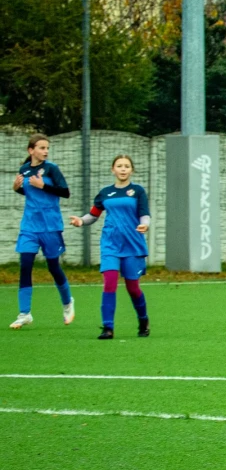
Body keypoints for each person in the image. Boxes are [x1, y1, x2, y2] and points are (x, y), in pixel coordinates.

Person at [70, 154, 150, 339]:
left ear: (132, 170)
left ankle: (143, 320)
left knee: (133, 288)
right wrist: (81, 221)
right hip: (110, 245)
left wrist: (145, 224)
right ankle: (108, 328)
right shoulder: (105, 192)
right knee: (110, 283)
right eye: (119, 166)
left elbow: (145, 214)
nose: (123, 169)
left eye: (126, 166)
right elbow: (93, 215)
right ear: (113, 170)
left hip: (132, 245)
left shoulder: (137, 191)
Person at [10, 133, 74, 330]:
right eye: (42, 148)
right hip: (30, 225)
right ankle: (24, 313)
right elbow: (29, 192)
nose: (46, 151)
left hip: (50, 225)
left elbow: (65, 192)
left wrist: (44, 185)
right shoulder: (24, 169)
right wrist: (16, 188)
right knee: (25, 264)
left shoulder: (52, 169)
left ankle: (67, 303)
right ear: (31, 150)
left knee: (53, 267)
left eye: (47, 148)